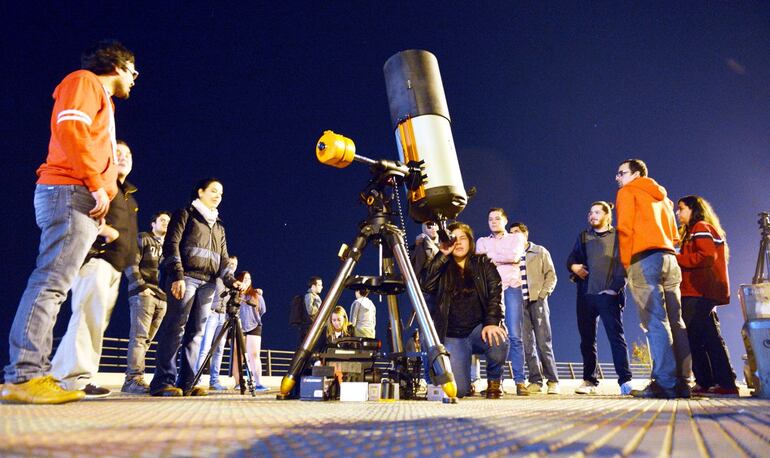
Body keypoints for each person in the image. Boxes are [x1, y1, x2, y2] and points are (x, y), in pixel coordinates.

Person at [2, 40, 137, 405]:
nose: (135, 79)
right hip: (69, 191)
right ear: (117, 65)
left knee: (54, 284)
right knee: (51, 283)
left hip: (76, 193)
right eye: (133, 70)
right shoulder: (84, 81)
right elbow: (71, 131)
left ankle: (29, 373)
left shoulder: (100, 97)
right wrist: (96, 184)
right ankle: (24, 376)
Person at [50, 140, 139, 398]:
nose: (123, 157)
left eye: (128, 154)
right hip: (96, 258)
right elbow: (80, 211)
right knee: (86, 317)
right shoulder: (100, 185)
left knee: (96, 321)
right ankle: (73, 379)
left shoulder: (128, 196)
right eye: (118, 153)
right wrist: (104, 231)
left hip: (117, 265)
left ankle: (72, 375)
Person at [149, 178, 244, 397]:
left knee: (196, 333)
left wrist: (231, 280)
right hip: (187, 279)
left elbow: (223, 258)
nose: (218, 196)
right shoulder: (185, 214)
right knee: (175, 328)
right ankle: (163, 381)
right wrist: (177, 275)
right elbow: (171, 245)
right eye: (213, 191)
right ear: (200, 192)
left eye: (220, 193)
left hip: (209, 284)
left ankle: (188, 382)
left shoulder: (219, 226)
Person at [615, 159, 691, 399]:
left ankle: (664, 382)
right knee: (676, 321)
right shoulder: (664, 199)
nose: (617, 178)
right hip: (669, 258)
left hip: (644, 260)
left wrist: (628, 265)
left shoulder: (627, 191)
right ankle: (683, 382)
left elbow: (625, 229)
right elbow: (674, 235)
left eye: (621, 173)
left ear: (636, 174)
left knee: (655, 322)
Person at [421, 222, 509, 399]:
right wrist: (442, 255)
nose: (459, 243)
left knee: (498, 338)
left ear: (470, 241)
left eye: (463, 238)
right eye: (454, 239)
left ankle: (493, 381)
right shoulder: (442, 265)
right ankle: (466, 383)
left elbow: (495, 294)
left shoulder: (484, 264)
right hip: (454, 335)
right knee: (458, 391)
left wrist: (491, 322)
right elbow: (426, 285)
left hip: (478, 330)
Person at [566, 201, 633, 395]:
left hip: (609, 295)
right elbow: (571, 258)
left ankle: (625, 381)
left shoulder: (618, 236)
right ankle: (589, 380)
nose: (592, 215)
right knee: (587, 340)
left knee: (616, 338)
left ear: (606, 215)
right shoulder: (583, 237)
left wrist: (615, 288)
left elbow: (624, 264)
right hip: (586, 295)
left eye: (597, 212)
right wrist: (574, 267)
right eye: (590, 212)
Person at [675, 195, 737, 396]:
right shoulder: (693, 230)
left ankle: (724, 383)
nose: (678, 213)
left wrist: (677, 258)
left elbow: (707, 255)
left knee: (705, 337)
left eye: (681, 209)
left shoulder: (700, 227)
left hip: (699, 292)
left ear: (693, 209)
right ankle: (708, 382)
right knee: (701, 336)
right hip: (699, 291)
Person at [476, 208, 529, 396]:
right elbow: (479, 261)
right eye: (490, 219)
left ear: (505, 220)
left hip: (511, 288)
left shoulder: (516, 238)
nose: (493, 221)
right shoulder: (481, 241)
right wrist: (500, 260)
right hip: (490, 290)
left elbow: (514, 256)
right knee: (494, 335)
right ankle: (496, 382)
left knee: (515, 335)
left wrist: (492, 259)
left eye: (497, 218)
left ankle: (520, 381)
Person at [122, 210, 171, 394]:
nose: (166, 223)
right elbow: (130, 263)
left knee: (147, 340)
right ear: (153, 223)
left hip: (162, 297)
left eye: (168, 221)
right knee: (139, 337)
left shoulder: (169, 247)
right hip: (144, 294)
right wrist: (141, 287)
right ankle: (132, 379)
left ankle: (137, 378)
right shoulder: (143, 238)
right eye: (162, 220)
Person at [510, 222, 560, 394]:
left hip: (537, 301)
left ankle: (553, 380)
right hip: (518, 303)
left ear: (525, 234)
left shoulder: (539, 251)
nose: (513, 235)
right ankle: (535, 380)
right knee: (526, 343)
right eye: (511, 232)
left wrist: (543, 294)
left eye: (517, 232)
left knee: (543, 341)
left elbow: (551, 275)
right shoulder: (511, 253)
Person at [195, 256, 238, 391]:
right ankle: (196, 379)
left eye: (235, 264)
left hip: (224, 316)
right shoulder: (218, 277)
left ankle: (214, 381)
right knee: (205, 347)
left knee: (219, 350)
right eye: (230, 263)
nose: (232, 266)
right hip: (212, 313)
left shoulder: (234, 282)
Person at [235, 272, 269, 392]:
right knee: (239, 357)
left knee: (254, 355)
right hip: (238, 327)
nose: (247, 280)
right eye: (245, 278)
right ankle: (240, 382)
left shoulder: (256, 295)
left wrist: (252, 317)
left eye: (249, 278)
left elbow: (263, 310)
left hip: (254, 326)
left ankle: (258, 382)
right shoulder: (235, 294)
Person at [299, 277, 323, 342]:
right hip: (309, 328)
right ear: (313, 286)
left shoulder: (315, 296)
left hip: (312, 327)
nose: (321, 287)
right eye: (319, 285)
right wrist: (318, 304)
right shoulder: (309, 296)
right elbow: (310, 311)